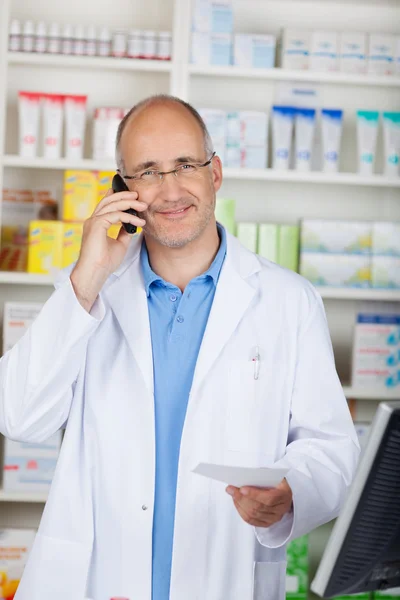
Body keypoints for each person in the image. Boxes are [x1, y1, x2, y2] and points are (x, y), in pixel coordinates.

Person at [2, 95, 360, 600]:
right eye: (147, 172)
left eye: (185, 166)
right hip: (99, 582)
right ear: (123, 190)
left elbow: (331, 448)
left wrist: (289, 494)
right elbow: (19, 417)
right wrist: (85, 277)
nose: (170, 190)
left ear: (214, 173)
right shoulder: (89, 294)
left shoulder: (288, 301)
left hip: (225, 578)